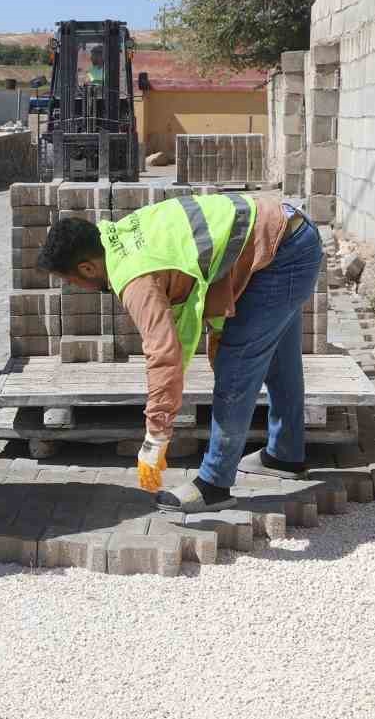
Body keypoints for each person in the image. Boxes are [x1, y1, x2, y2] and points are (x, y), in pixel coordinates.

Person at [35, 191, 322, 513]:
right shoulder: (120, 233)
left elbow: (163, 354)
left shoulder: (134, 277)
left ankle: (215, 484)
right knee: (280, 360)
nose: (76, 288)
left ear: (88, 268)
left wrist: (155, 437)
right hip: (284, 230)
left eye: (72, 281)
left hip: (280, 253)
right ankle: (285, 454)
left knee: (236, 369)